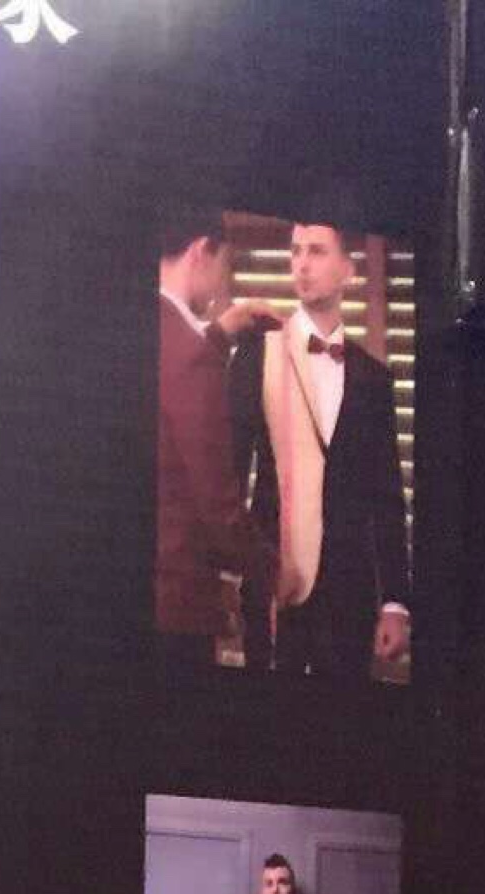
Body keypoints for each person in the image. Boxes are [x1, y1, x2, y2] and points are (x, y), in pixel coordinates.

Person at [229, 219, 411, 678]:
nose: (302, 264)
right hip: (274, 578)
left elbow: (387, 495)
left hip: (350, 590)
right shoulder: (259, 354)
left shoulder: (373, 377)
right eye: (295, 252)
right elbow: (230, 471)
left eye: (316, 251)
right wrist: (228, 574)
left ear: (348, 270)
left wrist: (394, 602)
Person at [155, 212, 278, 671]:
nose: (223, 282)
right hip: (177, 603)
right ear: (200, 252)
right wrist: (274, 570)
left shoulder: (157, 329)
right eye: (225, 266)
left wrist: (221, 333)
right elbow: (219, 507)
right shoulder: (192, 358)